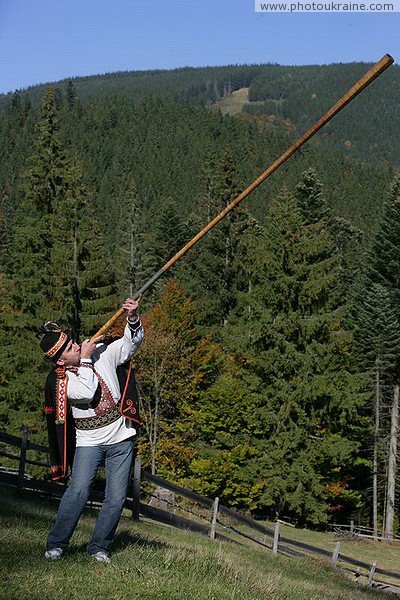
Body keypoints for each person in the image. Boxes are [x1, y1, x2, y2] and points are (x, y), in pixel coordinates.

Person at [38, 298, 144, 563]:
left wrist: (132, 318)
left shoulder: (100, 352)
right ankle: (57, 543)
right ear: (60, 359)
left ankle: (99, 547)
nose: (76, 344)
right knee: (79, 491)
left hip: (121, 437)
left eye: (72, 341)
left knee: (117, 497)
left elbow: (130, 345)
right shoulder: (60, 381)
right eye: (69, 347)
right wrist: (85, 358)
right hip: (89, 441)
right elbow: (86, 392)